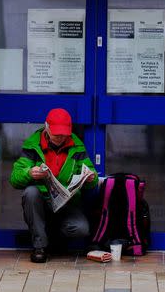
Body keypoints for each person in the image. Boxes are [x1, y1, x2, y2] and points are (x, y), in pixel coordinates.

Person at [9, 108, 98, 263]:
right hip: (41, 202)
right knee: (30, 193)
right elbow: (14, 179)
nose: (60, 138)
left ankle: (51, 236)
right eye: (56, 134)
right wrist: (29, 173)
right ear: (46, 127)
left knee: (81, 229)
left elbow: (92, 175)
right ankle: (40, 247)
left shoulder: (76, 145)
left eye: (64, 134)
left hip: (66, 203)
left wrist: (91, 178)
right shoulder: (33, 145)